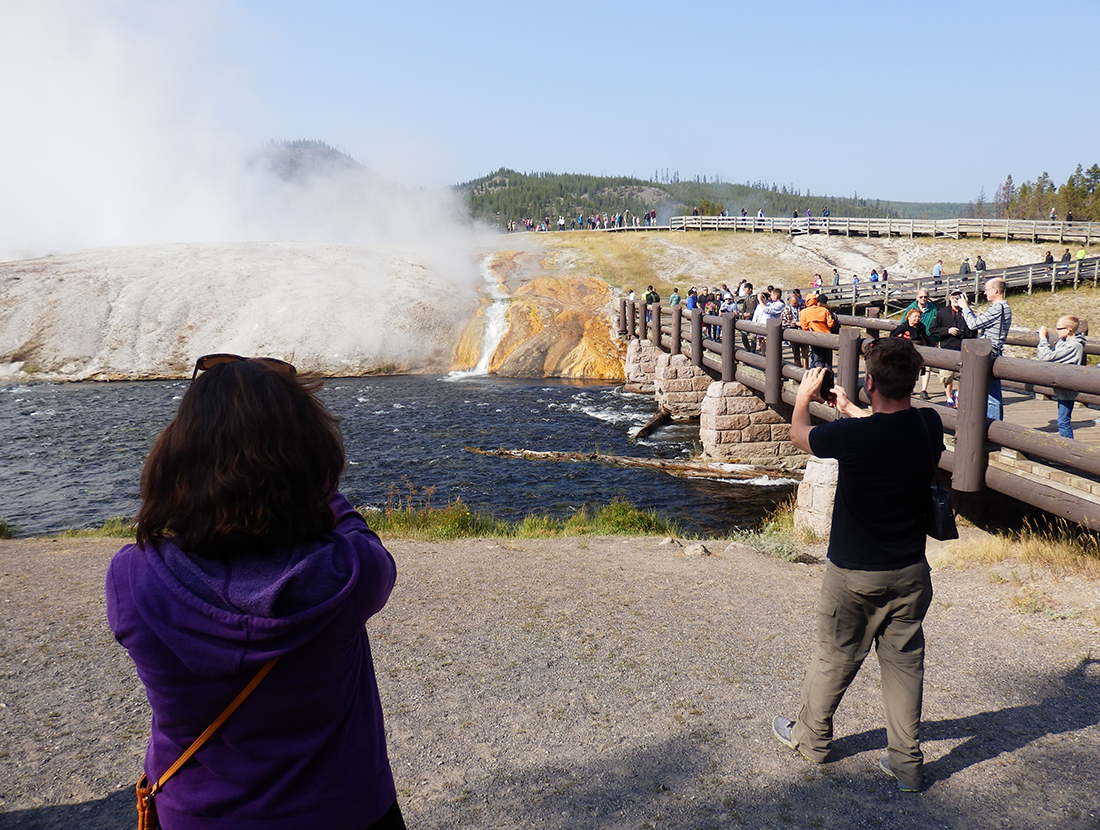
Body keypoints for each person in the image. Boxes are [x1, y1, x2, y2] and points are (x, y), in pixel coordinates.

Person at [106, 355, 404, 829]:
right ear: (315, 461)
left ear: (176, 457)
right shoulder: (350, 571)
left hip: (197, 813)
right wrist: (313, 477)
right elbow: (362, 538)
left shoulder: (133, 576)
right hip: (345, 810)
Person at [773, 338, 942, 794]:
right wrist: (848, 407)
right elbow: (886, 428)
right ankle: (906, 764)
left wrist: (806, 397)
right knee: (905, 666)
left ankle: (811, 740)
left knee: (835, 655)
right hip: (910, 572)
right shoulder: (929, 423)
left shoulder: (853, 438)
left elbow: (800, 436)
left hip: (853, 574)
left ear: (869, 382)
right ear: (913, 381)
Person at [958, 277, 1012, 420]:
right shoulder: (1002, 307)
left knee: (991, 395)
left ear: (995, 290)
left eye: (986, 290)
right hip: (991, 351)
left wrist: (964, 307)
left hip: (990, 353)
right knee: (988, 392)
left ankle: (992, 428)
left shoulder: (999, 308)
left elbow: (973, 324)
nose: (984, 293)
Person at [1037, 316, 1086, 438]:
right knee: (1063, 420)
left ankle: (1068, 447)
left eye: (1059, 328)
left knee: (1063, 421)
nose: (1057, 331)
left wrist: (1043, 339)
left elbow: (1046, 357)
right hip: (1061, 387)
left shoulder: (1074, 346)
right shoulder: (1063, 342)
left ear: (1068, 329)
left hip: (1067, 389)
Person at [928, 290, 976, 408]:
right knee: (947, 376)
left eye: (959, 296)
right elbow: (932, 329)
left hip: (963, 349)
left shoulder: (967, 312)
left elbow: (974, 330)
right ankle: (949, 397)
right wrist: (947, 330)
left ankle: (958, 395)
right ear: (949, 298)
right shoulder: (942, 312)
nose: (956, 298)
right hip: (947, 347)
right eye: (954, 296)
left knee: (963, 376)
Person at [902, 291, 938, 399]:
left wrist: (935, 339)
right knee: (910, 365)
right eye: (921, 297)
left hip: (928, 338)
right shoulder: (911, 308)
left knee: (926, 365)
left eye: (925, 297)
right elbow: (903, 324)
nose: (923, 299)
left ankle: (924, 390)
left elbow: (937, 324)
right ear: (917, 297)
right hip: (912, 341)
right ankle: (909, 386)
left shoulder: (933, 309)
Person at [799, 293, 836, 369]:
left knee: (817, 360)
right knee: (827, 360)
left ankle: (817, 377)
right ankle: (828, 377)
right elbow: (830, 324)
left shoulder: (804, 312)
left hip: (815, 337)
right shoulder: (824, 310)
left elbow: (804, 327)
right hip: (827, 337)